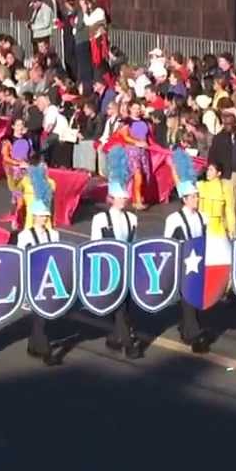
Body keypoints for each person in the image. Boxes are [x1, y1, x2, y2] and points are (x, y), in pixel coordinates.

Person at [92, 146, 143, 359]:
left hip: (127, 267)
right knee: (120, 306)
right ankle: (129, 344)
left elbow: (135, 243)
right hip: (110, 268)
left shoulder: (133, 219)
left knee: (125, 306)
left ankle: (115, 338)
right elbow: (94, 246)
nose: (125, 199)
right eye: (120, 196)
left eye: (125, 196)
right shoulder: (100, 219)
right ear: (111, 197)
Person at [165, 150, 212, 352]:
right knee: (188, 299)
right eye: (193, 197)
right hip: (182, 262)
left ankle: (187, 329)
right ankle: (194, 335)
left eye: (197, 196)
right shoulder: (174, 219)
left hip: (199, 262)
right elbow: (167, 242)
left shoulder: (204, 217)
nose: (196, 199)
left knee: (197, 299)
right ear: (184, 199)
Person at [15, 169, 62, 366]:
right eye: (40, 216)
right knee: (41, 315)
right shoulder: (25, 236)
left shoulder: (54, 235)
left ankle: (33, 346)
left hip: (49, 280)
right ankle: (45, 351)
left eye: (45, 215)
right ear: (34, 216)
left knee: (42, 316)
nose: (43, 219)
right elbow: (21, 258)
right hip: (33, 279)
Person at [1, 118, 34, 230]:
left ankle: (20, 216)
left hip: (26, 171)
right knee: (19, 198)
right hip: (14, 173)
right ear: (13, 127)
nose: (20, 127)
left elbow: (31, 155)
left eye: (22, 125)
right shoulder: (8, 141)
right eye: (18, 125)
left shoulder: (28, 140)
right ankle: (16, 219)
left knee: (26, 196)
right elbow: (5, 157)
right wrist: (17, 163)